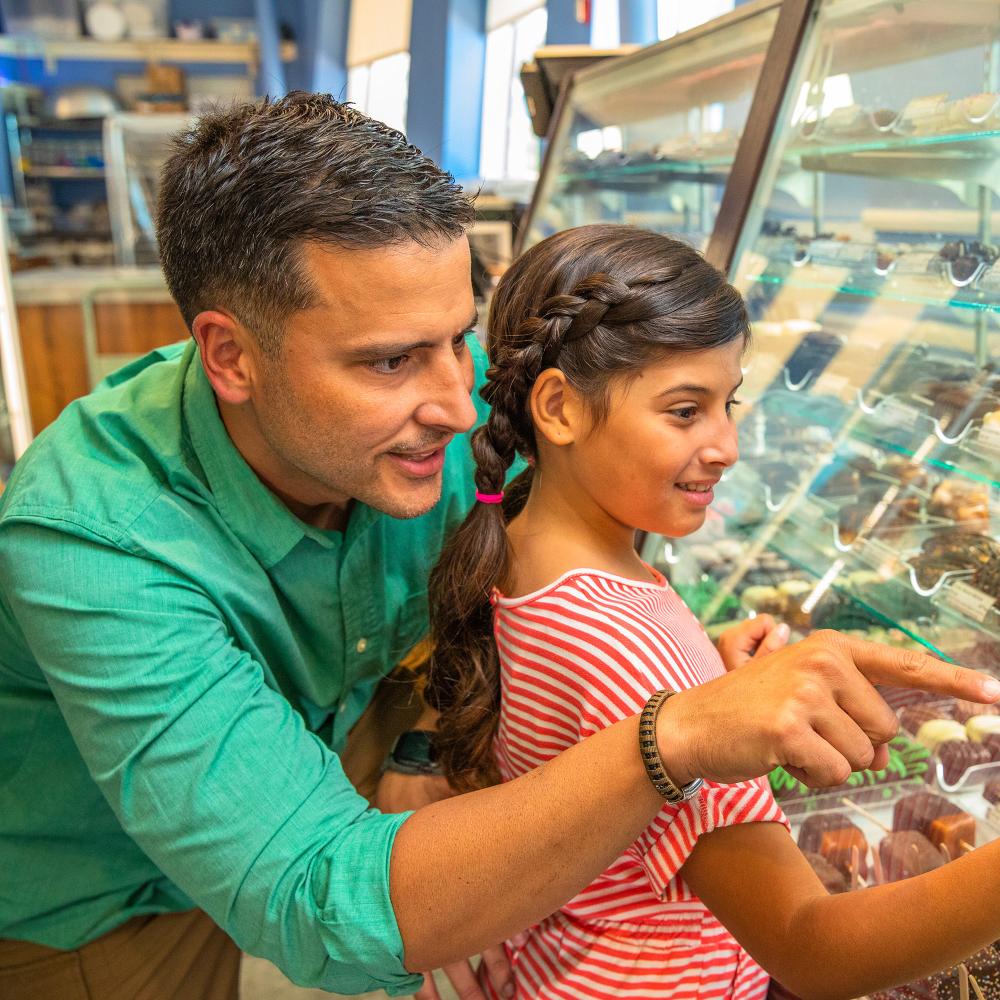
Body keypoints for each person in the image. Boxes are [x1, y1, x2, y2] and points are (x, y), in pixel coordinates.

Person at [0, 94, 994, 1000]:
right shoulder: (95, 538)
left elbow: (482, 634)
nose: (456, 397)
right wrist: (672, 729)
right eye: (389, 359)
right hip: (100, 903)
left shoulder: (420, 423)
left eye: (457, 337)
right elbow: (314, 898)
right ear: (230, 355)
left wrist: (442, 741)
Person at [425, 223, 1000, 1000]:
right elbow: (812, 947)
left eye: (728, 402)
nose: (727, 443)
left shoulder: (520, 547)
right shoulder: (631, 648)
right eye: (685, 410)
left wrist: (704, 667)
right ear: (558, 407)